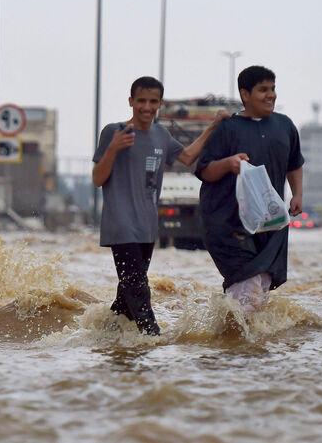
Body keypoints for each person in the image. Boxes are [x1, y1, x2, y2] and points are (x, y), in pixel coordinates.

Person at [92, 76, 225, 335]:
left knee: (127, 296)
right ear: (131, 101)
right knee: (139, 289)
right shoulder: (114, 131)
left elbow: (187, 157)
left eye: (153, 101)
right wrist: (113, 149)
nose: (146, 107)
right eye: (141, 101)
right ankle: (153, 340)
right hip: (120, 226)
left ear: (160, 104)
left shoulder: (161, 135)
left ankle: (106, 337)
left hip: (147, 228)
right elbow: (98, 179)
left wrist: (213, 126)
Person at [194, 65, 304, 312]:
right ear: (245, 94)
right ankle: (238, 343)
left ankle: (237, 342)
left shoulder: (285, 126)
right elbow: (205, 171)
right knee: (247, 283)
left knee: (261, 282)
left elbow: (294, 164)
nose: (271, 95)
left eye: (273, 89)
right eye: (263, 89)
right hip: (228, 224)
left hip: (270, 223)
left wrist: (297, 194)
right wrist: (229, 163)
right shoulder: (228, 129)